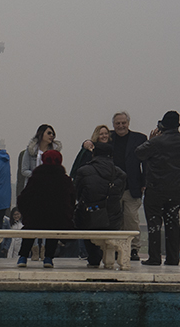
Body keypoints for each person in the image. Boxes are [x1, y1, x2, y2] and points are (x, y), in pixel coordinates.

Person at [135, 111, 180, 267]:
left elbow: (139, 153)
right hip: (176, 191)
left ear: (163, 125)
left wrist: (151, 139)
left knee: (154, 223)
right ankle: (173, 258)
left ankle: (154, 258)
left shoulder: (156, 142)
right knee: (173, 223)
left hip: (155, 189)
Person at [16, 150, 74, 268]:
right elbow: (71, 200)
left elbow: (23, 198)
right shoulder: (65, 180)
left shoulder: (35, 178)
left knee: (30, 230)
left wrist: (26, 214)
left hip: (34, 218)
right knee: (53, 229)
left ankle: (23, 257)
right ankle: (48, 259)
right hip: (57, 219)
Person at [73, 140, 126, 267]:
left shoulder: (83, 171)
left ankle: (93, 257)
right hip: (112, 219)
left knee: (83, 214)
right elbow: (119, 194)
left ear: (93, 154)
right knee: (111, 216)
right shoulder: (120, 174)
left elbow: (77, 194)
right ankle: (108, 257)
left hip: (90, 218)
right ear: (111, 156)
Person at [110, 111, 148, 261]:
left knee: (131, 219)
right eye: (118, 123)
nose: (121, 126)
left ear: (128, 123)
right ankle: (117, 248)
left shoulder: (139, 139)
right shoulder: (108, 138)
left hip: (133, 187)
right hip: (113, 188)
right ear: (114, 125)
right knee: (116, 220)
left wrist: (144, 183)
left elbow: (146, 163)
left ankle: (133, 249)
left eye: (123, 123)